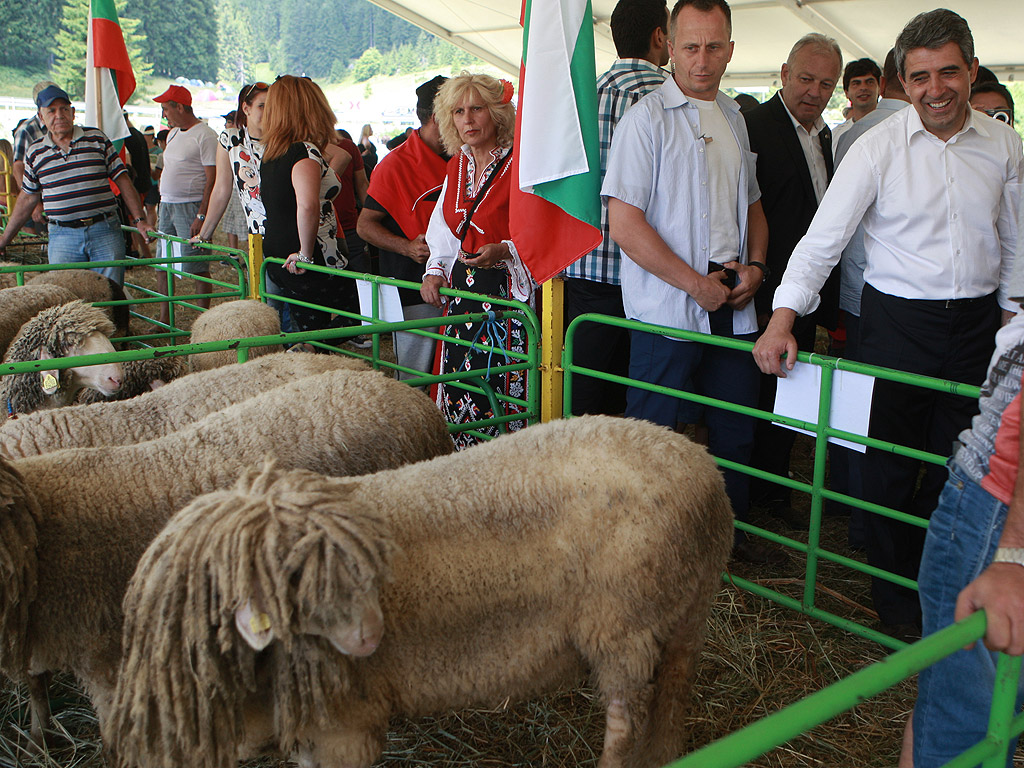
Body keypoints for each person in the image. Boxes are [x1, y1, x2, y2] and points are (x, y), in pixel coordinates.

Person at [753, 9, 1023, 638]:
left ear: (972, 70)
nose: (936, 89)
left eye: (949, 72)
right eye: (920, 76)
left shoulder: (1004, 144)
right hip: (896, 325)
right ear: (904, 80)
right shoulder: (875, 146)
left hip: (978, 327)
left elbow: (1013, 245)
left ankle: (943, 582)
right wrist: (782, 320)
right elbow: (823, 241)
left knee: (963, 463)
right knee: (887, 469)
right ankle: (896, 605)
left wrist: (1012, 330)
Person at [602, 0, 777, 564]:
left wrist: (757, 265)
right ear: (669, 46)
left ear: (731, 48)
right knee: (655, 431)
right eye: (692, 47)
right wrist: (691, 284)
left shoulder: (733, 114)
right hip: (666, 310)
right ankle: (647, 547)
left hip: (732, 301)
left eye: (715, 46)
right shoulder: (645, 118)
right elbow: (624, 223)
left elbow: (752, 204)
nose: (703, 60)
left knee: (736, 429)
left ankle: (729, 539)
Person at [897, 264, 1024, 767]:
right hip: (998, 504)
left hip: (994, 505)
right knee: (966, 720)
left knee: (962, 708)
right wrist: (1014, 554)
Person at [743, 32, 841, 527]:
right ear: (783, 74)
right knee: (761, 398)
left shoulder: (824, 133)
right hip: (766, 296)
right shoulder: (754, 126)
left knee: (789, 398)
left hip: (805, 296)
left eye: (826, 84)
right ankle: (761, 500)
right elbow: (743, 214)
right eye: (805, 79)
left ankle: (775, 492)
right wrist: (758, 294)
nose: (814, 92)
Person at [563, 0, 669, 416]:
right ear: (661, 36)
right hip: (653, 271)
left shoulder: (581, 97)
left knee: (585, 392)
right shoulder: (672, 99)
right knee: (641, 395)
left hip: (586, 266)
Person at [420, 73, 533, 449]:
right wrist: (435, 271)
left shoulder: (521, 167)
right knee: (460, 387)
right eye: (458, 111)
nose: (467, 119)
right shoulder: (456, 166)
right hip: (463, 301)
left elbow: (539, 234)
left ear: (497, 113)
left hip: (506, 302)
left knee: (502, 393)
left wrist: (504, 250)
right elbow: (444, 232)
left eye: (477, 109)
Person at [829, 48, 910, 541]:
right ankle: (884, 519)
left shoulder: (854, 137)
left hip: (862, 292)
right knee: (902, 410)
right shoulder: (985, 141)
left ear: (883, 79)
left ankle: (849, 503)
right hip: (930, 309)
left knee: (857, 397)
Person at [0, 85, 155, 280]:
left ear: (73, 112)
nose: (59, 115)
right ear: (41, 117)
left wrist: (140, 220)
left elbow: (122, 180)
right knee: (67, 295)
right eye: (51, 111)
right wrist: (5, 239)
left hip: (104, 230)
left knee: (111, 291)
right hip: (62, 235)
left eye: (64, 109)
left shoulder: (97, 139)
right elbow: (28, 197)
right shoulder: (35, 152)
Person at [358, 75, 449, 382]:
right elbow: (365, 225)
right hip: (414, 289)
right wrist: (407, 246)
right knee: (415, 376)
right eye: (458, 111)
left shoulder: (469, 157)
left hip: (460, 286)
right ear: (438, 116)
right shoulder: (395, 164)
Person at [259, 75, 355, 339]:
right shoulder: (304, 152)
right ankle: (310, 351)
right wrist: (305, 253)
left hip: (281, 254)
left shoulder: (272, 152)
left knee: (307, 325)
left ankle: (307, 350)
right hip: (311, 257)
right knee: (358, 315)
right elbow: (308, 206)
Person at [153, 84, 218, 325]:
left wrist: (201, 214)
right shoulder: (172, 134)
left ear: (179, 107)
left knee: (196, 264)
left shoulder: (205, 135)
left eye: (166, 108)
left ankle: (204, 321)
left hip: (190, 206)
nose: (164, 114)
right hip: (167, 205)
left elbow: (211, 179)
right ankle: (164, 318)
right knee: (162, 263)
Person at [11, 80, 56, 235]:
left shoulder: (66, 127)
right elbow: (18, 166)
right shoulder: (27, 130)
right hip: (41, 199)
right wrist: (34, 204)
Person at [831, 58, 881, 148]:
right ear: (846, 92)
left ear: (880, 88)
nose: (863, 88)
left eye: (869, 82)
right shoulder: (836, 136)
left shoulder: (893, 127)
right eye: (856, 83)